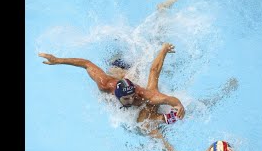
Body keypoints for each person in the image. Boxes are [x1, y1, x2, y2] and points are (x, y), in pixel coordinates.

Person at [38, 43, 185, 118]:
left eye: (132, 95)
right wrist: (58, 60)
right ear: (117, 95)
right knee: (117, 68)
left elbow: (167, 97)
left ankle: (163, 47)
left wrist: (178, 105)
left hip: (128, 74)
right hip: (117, 68)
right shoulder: (105, 84)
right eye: (127, 98)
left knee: (144, 80)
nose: (132, 99)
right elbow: (86, 63)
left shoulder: (143, 94)